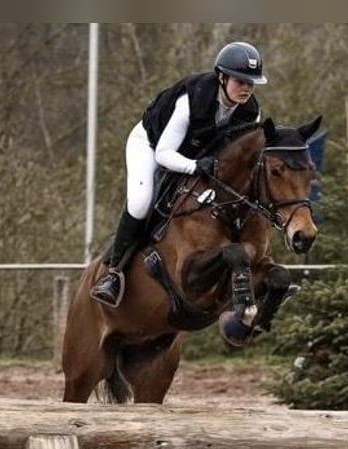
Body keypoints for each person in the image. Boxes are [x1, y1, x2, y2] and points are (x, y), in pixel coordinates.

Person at [90, 41, 268, 308]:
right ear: (221, 77)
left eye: (250, 82)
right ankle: (113, 273)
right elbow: (164, 154)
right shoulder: (192, 100)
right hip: (151, 145)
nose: (246, 88)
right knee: (140, 203)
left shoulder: (250, 112)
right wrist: (195, 167)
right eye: (240, 80)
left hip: (198, 156)